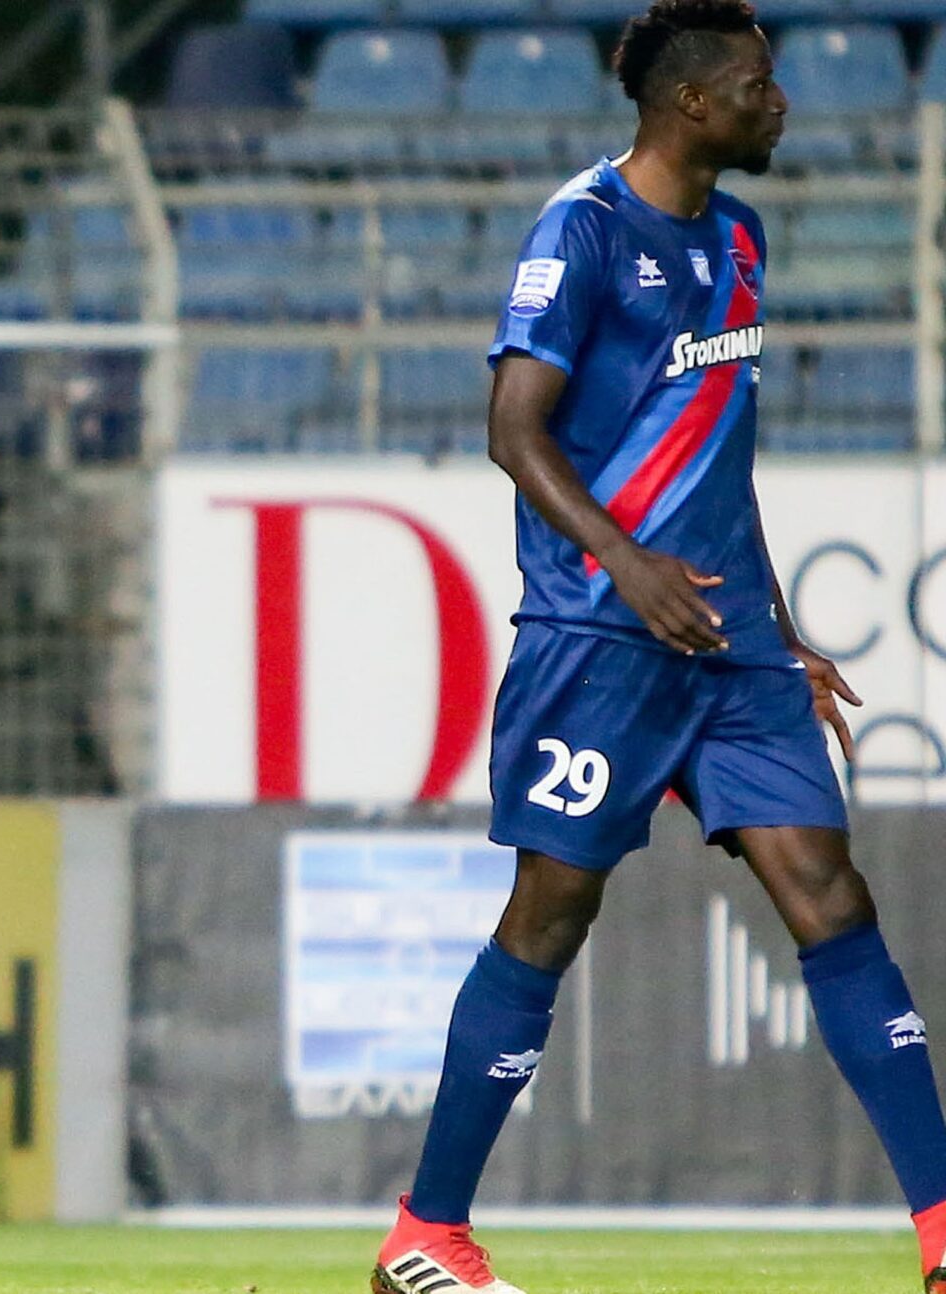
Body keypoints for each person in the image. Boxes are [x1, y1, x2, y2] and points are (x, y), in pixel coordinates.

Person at [371, 5, 946, 1292]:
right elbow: (512, 429)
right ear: (689, 103)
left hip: (728, 645)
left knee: (829, 895)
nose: (778, 101)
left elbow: (719, 461)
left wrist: (779, 629)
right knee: (550, 909)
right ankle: (425, 1232)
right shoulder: (578, 229)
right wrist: (625, 565)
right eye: (756, 84)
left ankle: (941, 1228)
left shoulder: (739, 239)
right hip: (596, 635)